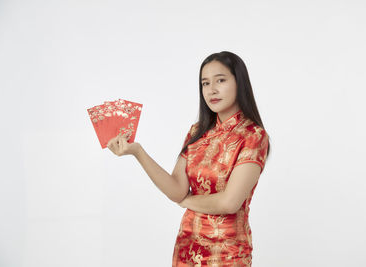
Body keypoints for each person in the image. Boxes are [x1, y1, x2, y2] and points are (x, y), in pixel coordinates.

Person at [107, 51, 271, 266]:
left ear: (239, 82)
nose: (211, 90)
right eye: (205, 83)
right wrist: (138, 152)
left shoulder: (253, 135)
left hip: (227, 253)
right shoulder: (198, 132)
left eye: (220, 80)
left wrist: (186, 201)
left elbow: (230, 202)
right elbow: (176, 188)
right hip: (187, 247)